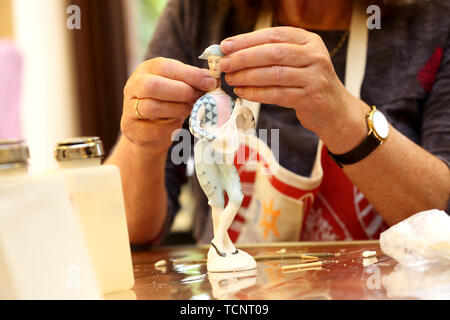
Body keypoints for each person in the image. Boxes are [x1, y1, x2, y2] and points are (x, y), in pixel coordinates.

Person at [106, 0, 450, 245]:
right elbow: (128, 232)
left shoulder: (433, 19)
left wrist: (343, 117)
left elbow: (443, 215)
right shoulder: (199, 11)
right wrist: (144, 142)